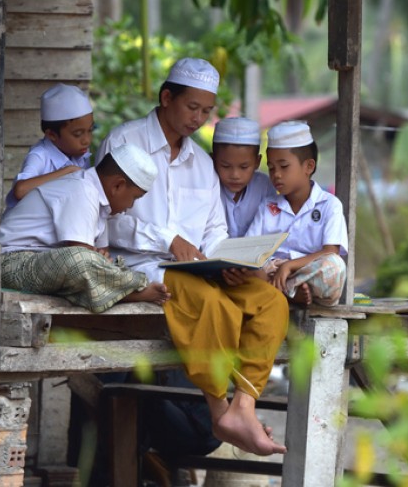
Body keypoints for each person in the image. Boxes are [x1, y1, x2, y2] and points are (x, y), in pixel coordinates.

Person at [97, 58, 288, 456]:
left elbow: (214, 229)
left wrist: (233, 259)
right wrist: (170, 239)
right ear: (167, 97)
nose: (199, 118)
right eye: (192, 107)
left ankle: (244, 405)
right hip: (139, 267)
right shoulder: (125, 143)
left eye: (207, 110)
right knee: (211, 303)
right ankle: (219, 408)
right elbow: (105, 218)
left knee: (269, 301)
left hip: (198, 268)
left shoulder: (203, 163)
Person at [0, 143, 170, 313]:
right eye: (135, 197)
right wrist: (97, 258)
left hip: (46, 266)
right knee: (81, 261)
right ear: (117, 185)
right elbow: (80, 256)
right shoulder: (82, 188)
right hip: (9, 263)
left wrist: (103, 259)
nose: (131, 206)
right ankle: (131, 291)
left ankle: (123, 290)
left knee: (95, 262)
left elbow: (102, 257)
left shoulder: (103, 207)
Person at [243, 120, 349, 307]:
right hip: (271, 271)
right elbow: (249, 249)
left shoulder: (329, 204)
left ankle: (285, 289)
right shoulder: (267, 206)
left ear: (308, 166)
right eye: (272, 167)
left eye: (284, 166)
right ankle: (291, 292)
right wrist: (274, 267)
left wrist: (289, 266)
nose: (276, 174)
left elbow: (330, 252)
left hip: (307, 271)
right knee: (247, 267)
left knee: (334, 267)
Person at [4, 83, 96, 211]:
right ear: (51, 134)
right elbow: (20, 190)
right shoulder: (40, 155)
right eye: (78, 134)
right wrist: (67, 172)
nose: (87, 140)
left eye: (91, 130)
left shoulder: (80, 152)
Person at [212, 117, 276, 238]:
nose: (235, 175)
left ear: (257, 162)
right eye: (226, 166)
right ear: (213, 160)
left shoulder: (265, 187)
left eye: (244, 167)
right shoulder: (209, 186)